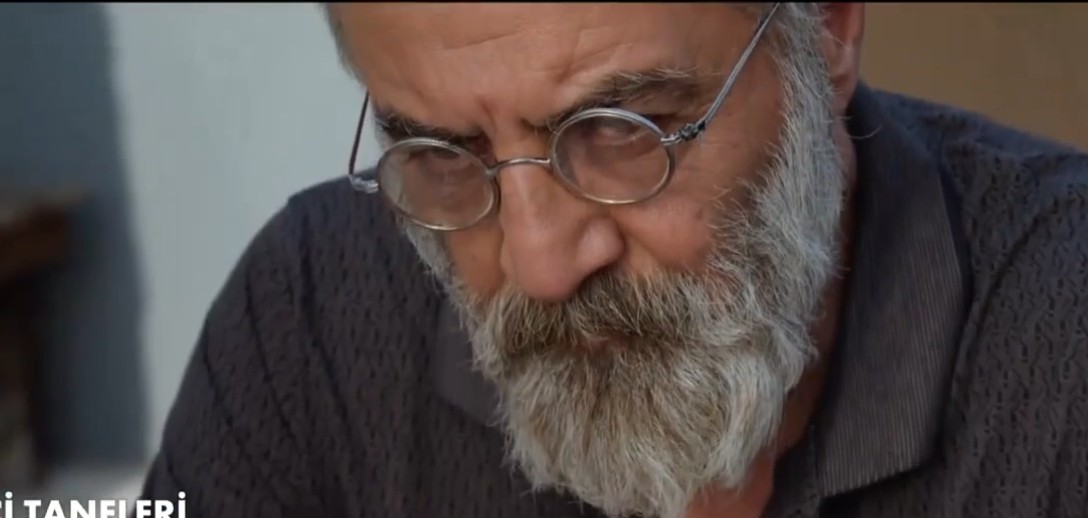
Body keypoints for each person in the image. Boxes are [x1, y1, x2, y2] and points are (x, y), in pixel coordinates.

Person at [138, 3, 1088, 517]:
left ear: (826, 29)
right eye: (444, 153)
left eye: (623, 131)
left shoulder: (1065, 328)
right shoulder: (314, 309)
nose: (541, 265)